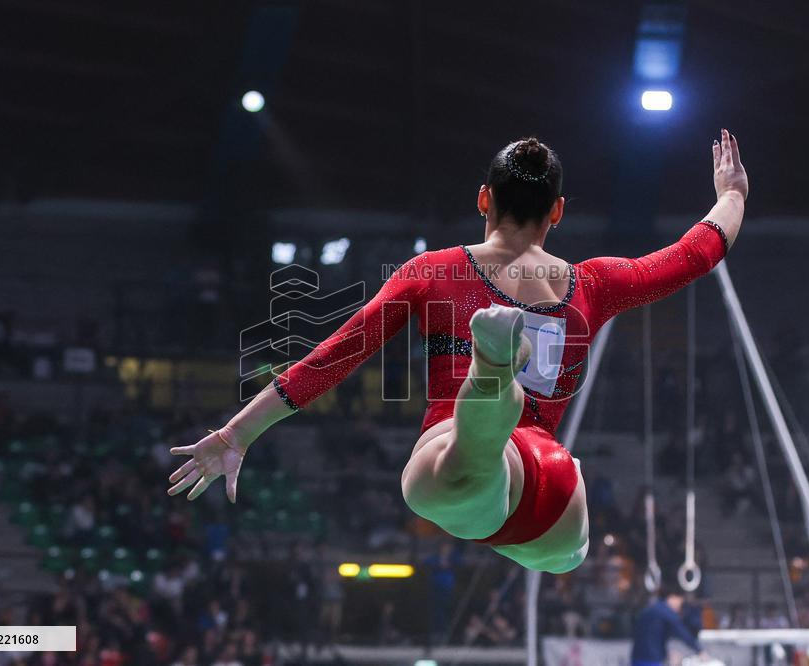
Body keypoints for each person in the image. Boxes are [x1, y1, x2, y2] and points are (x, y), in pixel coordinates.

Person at [168, 131, 749, 573]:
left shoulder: (435, 271)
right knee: (566, 554)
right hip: (552, 487)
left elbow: (334, 356)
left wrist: (237, 433)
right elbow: (694, 254)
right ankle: (495, 387)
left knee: (458, 466)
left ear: (483, 199)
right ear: (557, 210)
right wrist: (731, 195)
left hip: (458, 459)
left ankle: (492, 375)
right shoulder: (593, 284)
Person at [631, 584, 705, 666]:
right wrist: (699, 651)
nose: (679, 608)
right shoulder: (666, 612)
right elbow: (682, 632)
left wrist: (665, 654)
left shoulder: (652, 609)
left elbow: (652, 638)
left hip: (637, 658)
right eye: (680, 603)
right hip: (651, 660)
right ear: (673, 597)